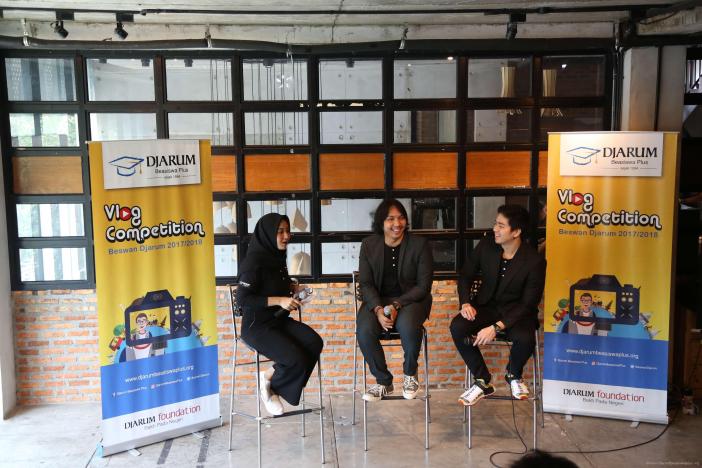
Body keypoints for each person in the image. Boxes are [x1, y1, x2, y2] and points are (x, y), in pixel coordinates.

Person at [450, 204, 546, 405]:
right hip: (486, 307)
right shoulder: (487, 245)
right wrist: (465, 303)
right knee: (458, 326)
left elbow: (528, 304)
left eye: (501, 226)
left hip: (517, 313)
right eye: (496, 224)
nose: (495, 229)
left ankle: (513, 374)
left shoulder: (534, 261)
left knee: (525, 338)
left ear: (516, 232)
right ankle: (482, 380)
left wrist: (496, 327)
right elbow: (465, 275)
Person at [237, 213, 323, 416]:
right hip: (257, 327)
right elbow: (243, 300)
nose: (286, 236)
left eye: (288, 231)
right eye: (280, 231)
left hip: (278, 320)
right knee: (295, 359)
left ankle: (270, 381)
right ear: (268, 234)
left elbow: (272, 284)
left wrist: (293, 289)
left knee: (314, 342)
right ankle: (270, 388)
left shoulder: (277, 257)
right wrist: (280, 300)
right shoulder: (253, 262)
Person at [356, 199, 433, 401]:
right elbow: (366, 283)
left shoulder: (419, 245)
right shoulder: (369, 245)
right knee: (364, 330)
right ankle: (383, 381)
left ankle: (410, 374)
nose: (397, 224)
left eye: (401, 218)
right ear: (381, 222)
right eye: (390, 219)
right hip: (378, 300)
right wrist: (378, 309)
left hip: (411, 300)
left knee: (408, 326)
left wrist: (397, 304)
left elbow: (423, 286)